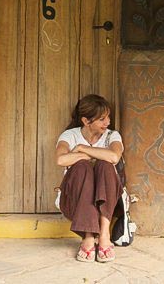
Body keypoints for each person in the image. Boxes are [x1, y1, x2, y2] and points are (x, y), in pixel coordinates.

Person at [55, 94, 123, 262]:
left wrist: (81, 149)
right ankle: (88, 236)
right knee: (82, 167)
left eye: (108, 117)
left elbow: (114, 157)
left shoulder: (112, 136)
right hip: (74, 200)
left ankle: (104, 234)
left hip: (108, 200)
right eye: (102, 119)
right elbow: (61, 160)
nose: (107, 122)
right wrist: (91, 157)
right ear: (86, 121)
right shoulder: (69, 135)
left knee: (105, 165)